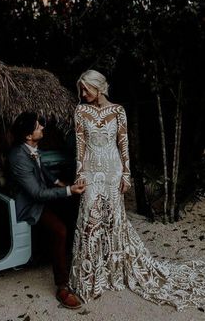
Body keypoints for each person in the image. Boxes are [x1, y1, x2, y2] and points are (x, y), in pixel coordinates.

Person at [69, 70, 205, 311]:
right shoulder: (80, 111)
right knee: (90, 221)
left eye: (86, 89)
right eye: (81, 89)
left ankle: (112, 275)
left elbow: (123, 143)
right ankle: (89, 280)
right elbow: (80, 145)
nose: (82, 93)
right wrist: (79, 174)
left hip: (113, 171)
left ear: (98, 87)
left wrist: (127, 174)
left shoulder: (118, 111)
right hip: (90, 172)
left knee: (113, 220)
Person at [8, 111, 85, 309]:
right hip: (30, 205)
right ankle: (62, 287)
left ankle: (74, 257)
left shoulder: (31, 148)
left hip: (42, 198)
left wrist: (62, 184)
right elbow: (37, 194)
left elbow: (44, 171)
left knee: (74, 207)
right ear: (28, 135)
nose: (42, 127)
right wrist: (68, 190)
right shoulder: (18, 157)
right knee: (59, 230)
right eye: (37, 126)